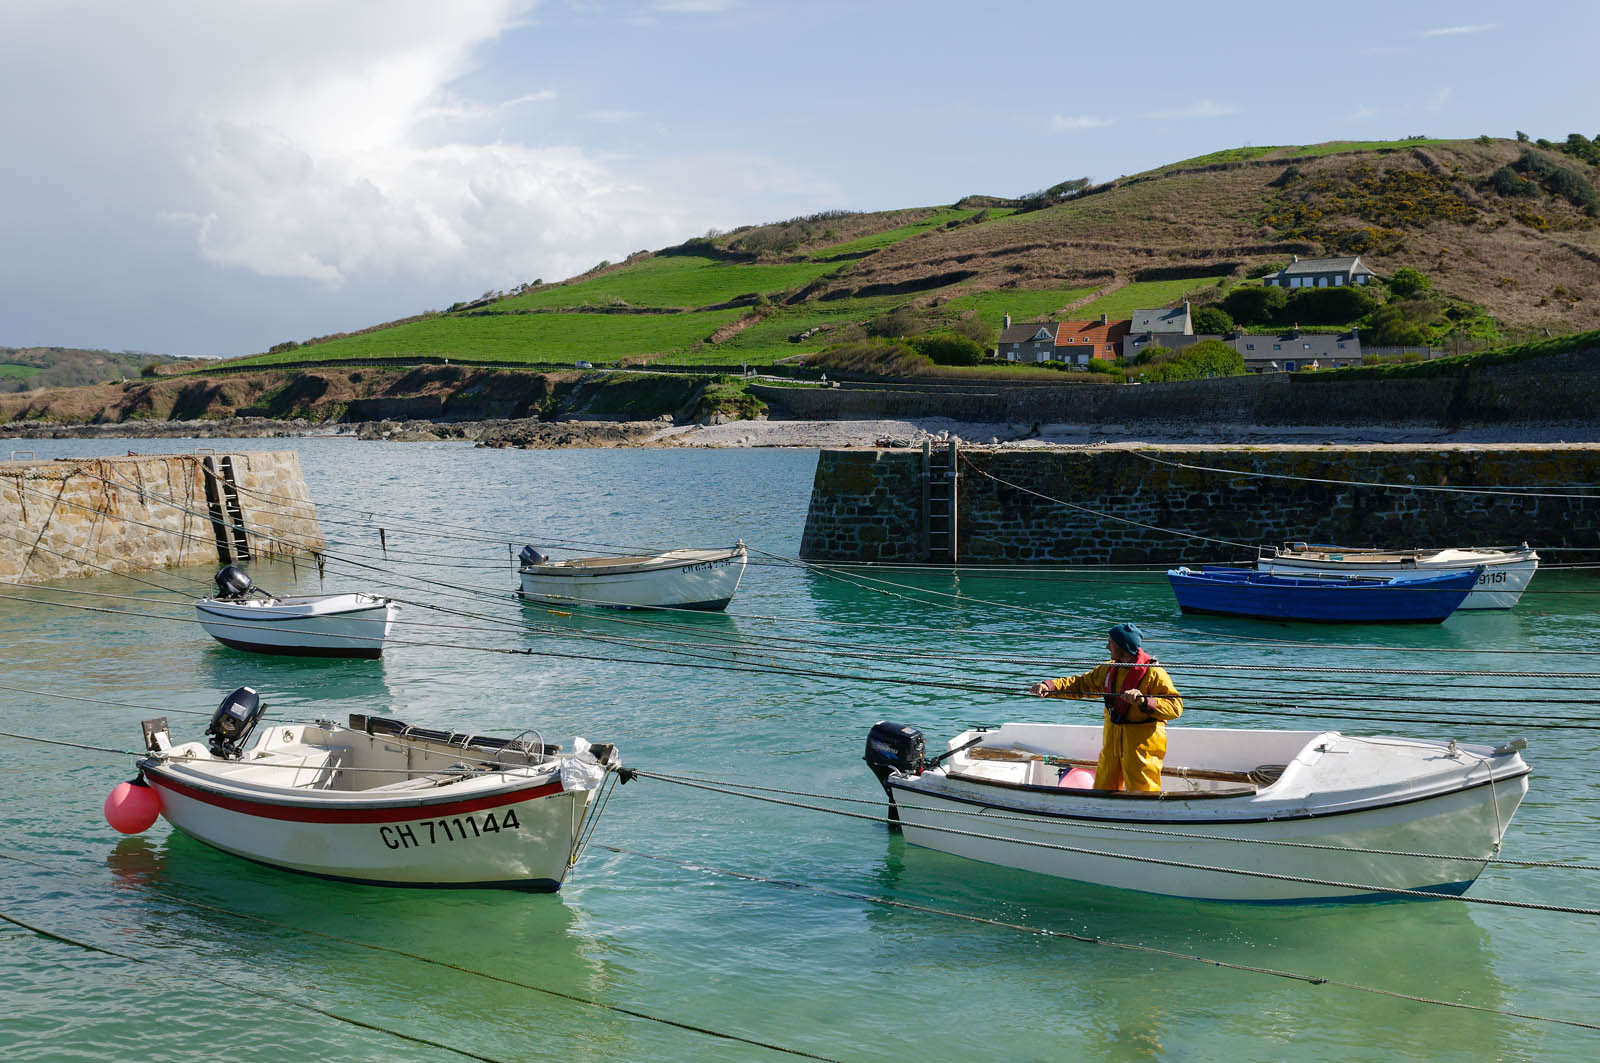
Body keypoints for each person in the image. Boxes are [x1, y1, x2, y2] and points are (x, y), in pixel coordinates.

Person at [1028, 622, 1182, 792]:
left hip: (1141, 748)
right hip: (1112, 744)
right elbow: (1081, 684)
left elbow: (1175, 707)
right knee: (1102, 790)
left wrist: (1143, 701)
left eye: (1110, 642)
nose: (1107, 646)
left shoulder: (1154, 673)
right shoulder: (1109, 669)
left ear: (1123, 646)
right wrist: (1050, 686)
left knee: (1143, 793)